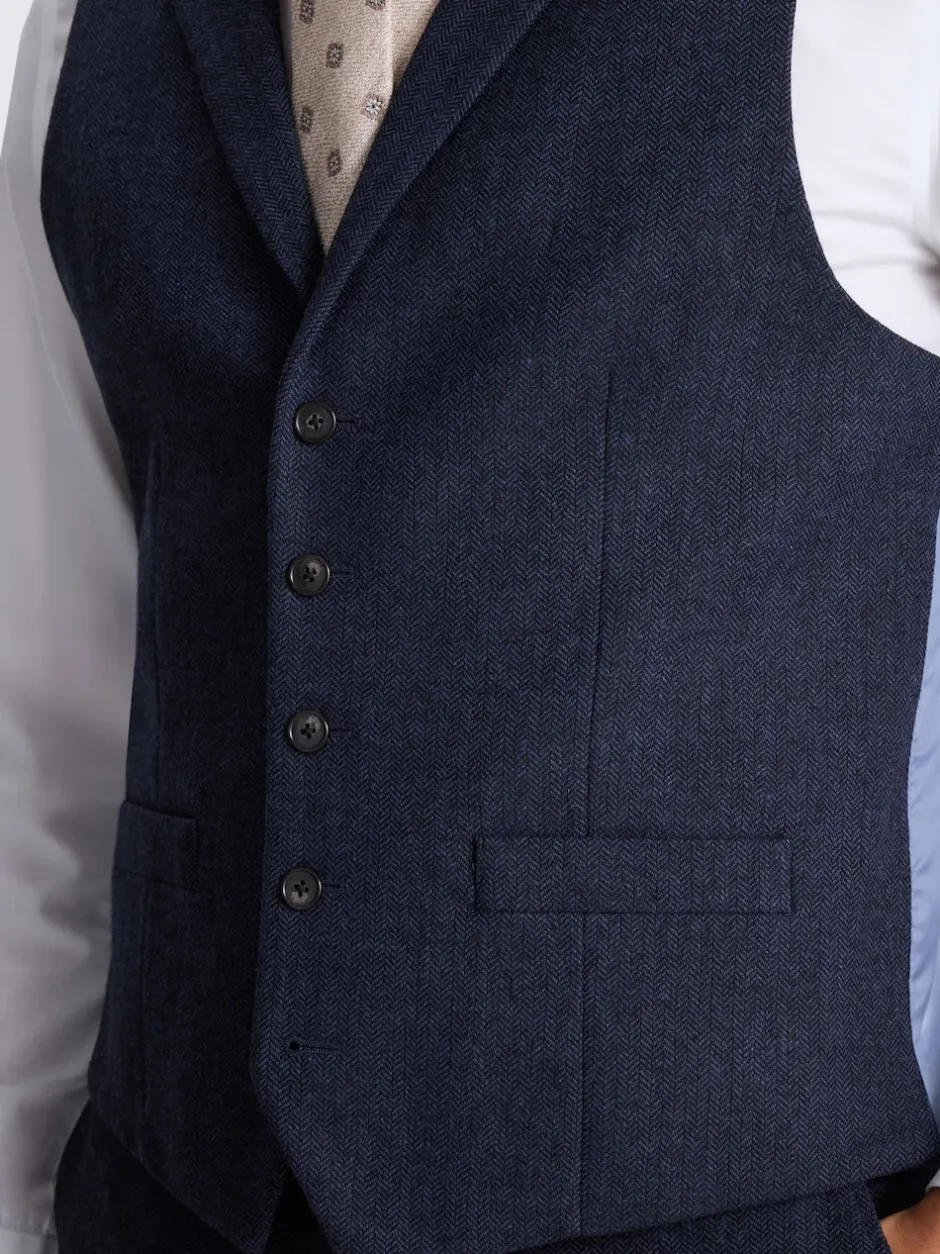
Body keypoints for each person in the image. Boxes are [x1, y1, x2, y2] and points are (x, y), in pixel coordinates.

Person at [3, 0, 940, 1250]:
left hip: (698, 1186)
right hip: (168, 1192)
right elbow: (50, 672)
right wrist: (19, 1198)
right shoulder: (84, 31)